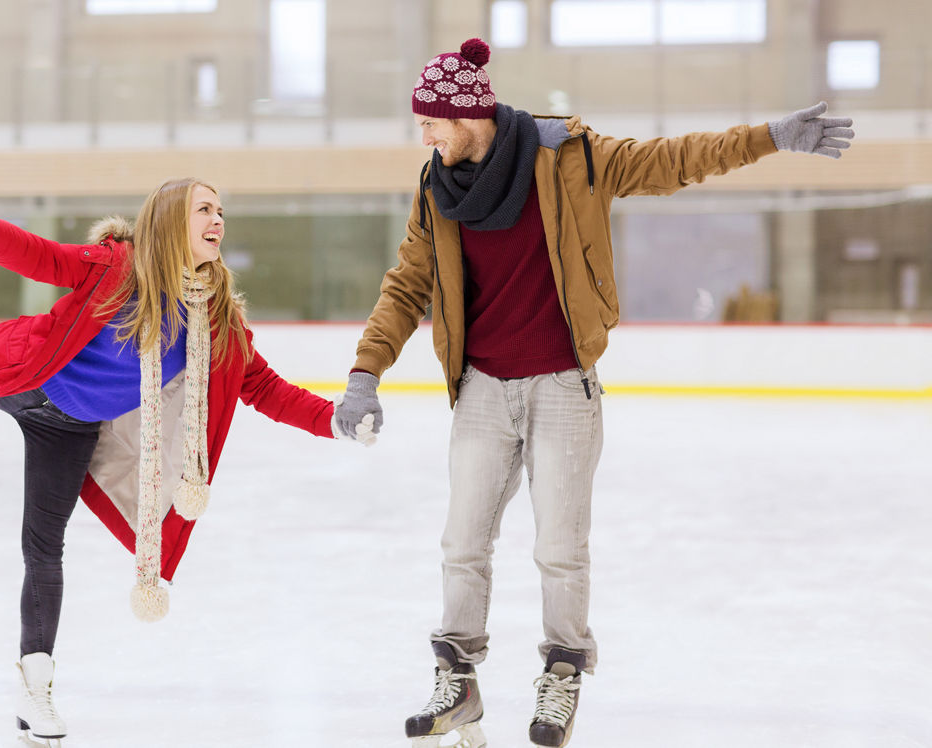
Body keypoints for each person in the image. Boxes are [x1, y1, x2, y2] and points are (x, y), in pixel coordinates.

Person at [332, 38, 853, 748]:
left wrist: (769, 137)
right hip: (483, 387)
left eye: (431, 122)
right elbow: (406, 286)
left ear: (470, 115)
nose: (422, 135)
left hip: (561, 385)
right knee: (462, 542)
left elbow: (672, 160)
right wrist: (365, 373)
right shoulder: (436, 187)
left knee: (559, 547)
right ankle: (460, 680)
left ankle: (562, 673)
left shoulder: (569, 156)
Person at [0, 177, 375, 747]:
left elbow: (267, 389)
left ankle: (35, 689)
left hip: (68, 427)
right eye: (204, 209)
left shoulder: (216, 322)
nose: (218, 220)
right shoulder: (116, 267)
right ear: (168, 221)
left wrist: (333, 419)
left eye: (221, 211)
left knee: (42, 545)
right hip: (23, 372)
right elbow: (47, 260)